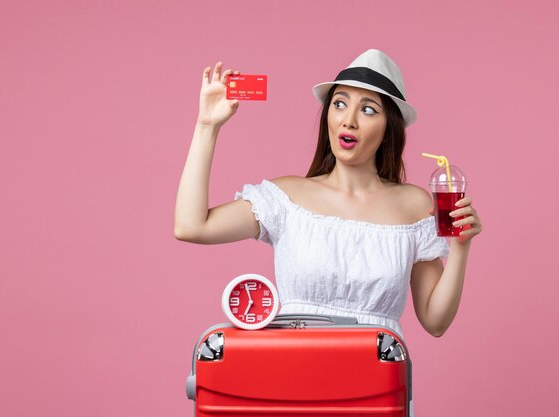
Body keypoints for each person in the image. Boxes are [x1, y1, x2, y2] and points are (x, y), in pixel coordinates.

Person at [175, 49, 482, 339]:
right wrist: (207, 126)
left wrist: (460, 249)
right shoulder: (287, 198)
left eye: (368, 109)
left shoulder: (415, 206)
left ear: (390, 127)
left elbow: (435, 321)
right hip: (296, 374)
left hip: (377, 383)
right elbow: (191, 226)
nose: (349, 119)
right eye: (339, 103)